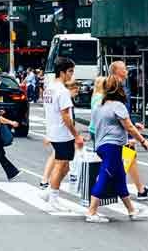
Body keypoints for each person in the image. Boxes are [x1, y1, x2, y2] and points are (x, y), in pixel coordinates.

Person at [85, 75, 148, 223]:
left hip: (102, 145)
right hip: (112, 146)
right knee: (105, 176)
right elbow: (129, 127)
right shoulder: (118, 106)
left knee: (119, 178)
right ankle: (92, 211)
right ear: (119, 89)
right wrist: (143, 140)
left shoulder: (99, 106)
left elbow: (94, 128)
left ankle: (131, 210)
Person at [108, 61, 148, 200]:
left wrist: (131, 123)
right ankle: (117, 188)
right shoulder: (115, 86)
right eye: (124, 69)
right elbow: (115, 110)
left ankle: (139, 189)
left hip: (121, 128)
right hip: (116, 132)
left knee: (129, 158)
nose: (127, 71)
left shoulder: (123, 85)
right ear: (116, 71)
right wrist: (134, 132)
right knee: (121, 160)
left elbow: (122, 110)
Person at [41, 57, 84, 212]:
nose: (72, 75)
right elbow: (66, 116)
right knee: (61, 165)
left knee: (65, 166)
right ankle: (53, 198)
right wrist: (76, 135)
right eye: (70, 71)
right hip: (62, 133)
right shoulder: (62, 91)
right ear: (62, 72)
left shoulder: (49, 88)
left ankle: (49, 192)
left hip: (54, 131)